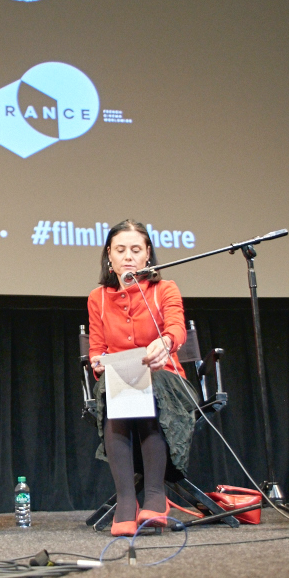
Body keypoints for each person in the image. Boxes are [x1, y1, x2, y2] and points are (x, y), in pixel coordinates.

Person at [88, 220, 196, 537]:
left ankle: (153, 495)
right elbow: (97, 348)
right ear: (109, 256)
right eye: (121, 250)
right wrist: (99, 362)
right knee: (113, 385)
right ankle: (126, 500)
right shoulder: (98, 298)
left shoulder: (165, 289)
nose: (128, 257)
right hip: (119, 382)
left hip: (167, 381)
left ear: (148, 255)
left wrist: (165, 343)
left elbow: (176, 328)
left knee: (152, 383)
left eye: (136, 250)